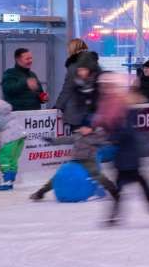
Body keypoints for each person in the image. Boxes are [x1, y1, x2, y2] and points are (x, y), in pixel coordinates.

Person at [32, 59, 108, 202]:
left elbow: (100, 113)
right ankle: (42, 191)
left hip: (90, 144)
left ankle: (103, 189)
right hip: (78, 150)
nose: (80, 72)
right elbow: (67, 138)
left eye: (83, 69)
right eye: (79, 70)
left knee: (94, 169)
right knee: (63, 172)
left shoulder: (95, 86)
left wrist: (94, 126)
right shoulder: (77, 84)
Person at [98, 74, 149, 226]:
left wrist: (112, 136)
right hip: (123, 154)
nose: (104, 89)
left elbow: (125, 130)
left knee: (135, 185)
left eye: (107, 86)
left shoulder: (120, 105)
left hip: (130, 154)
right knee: (125, 186)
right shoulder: (109, 104)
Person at [0, 101, 29, 191]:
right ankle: (10, 179)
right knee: (13, 159)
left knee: (3, 158)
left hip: (10, 138)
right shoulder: (8, 113)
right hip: (20, 137)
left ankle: (6, 179)